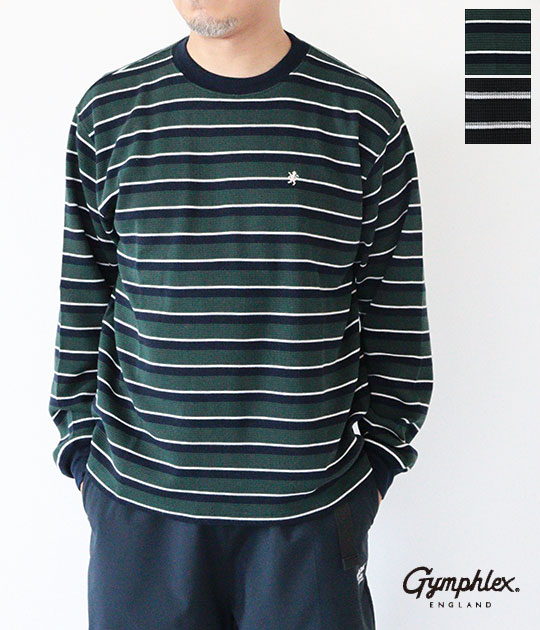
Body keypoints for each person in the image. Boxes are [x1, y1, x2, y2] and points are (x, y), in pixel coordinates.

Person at [48, 1, 433, 628]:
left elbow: (395, 320)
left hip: (307, 524)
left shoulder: (363, 120)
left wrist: (374, 473)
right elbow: (84, 301)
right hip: (139, 518)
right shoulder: (109, 114)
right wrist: (81, 455)